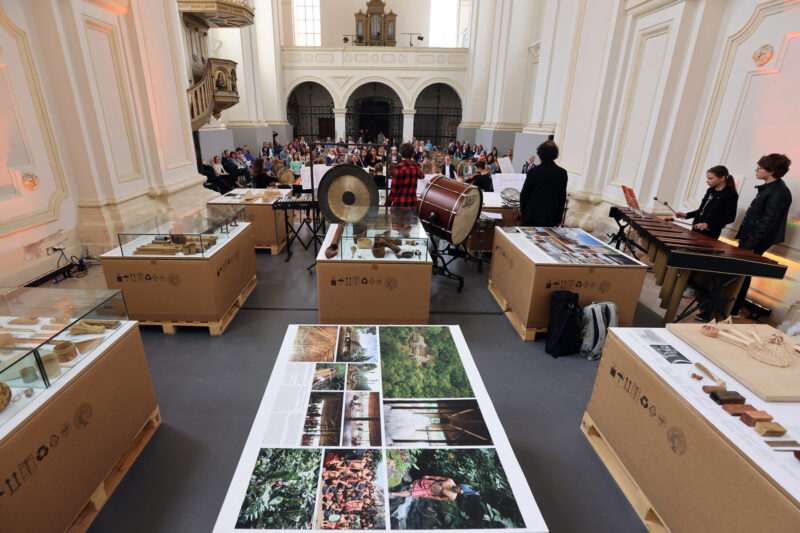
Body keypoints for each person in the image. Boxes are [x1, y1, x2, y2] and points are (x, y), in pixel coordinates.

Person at [730, 153, 792, 316]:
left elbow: (767, 222)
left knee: (743, 273)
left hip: (755, 239)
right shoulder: (770, 187)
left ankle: (733, 309)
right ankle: (731, 306)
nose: (756, 170)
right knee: (740, 272)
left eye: (760, 168)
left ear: (771, 171)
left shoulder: (779, 191)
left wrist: (750, 245)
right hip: (751, 237)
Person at [675, 165, 738, 238]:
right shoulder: (710, 190)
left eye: (711, 178)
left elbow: (730, 218)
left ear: (722, 178)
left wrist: (708, 224)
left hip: (710, 233)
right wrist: (686, 215)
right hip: (696, 228)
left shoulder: (730, 194)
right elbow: (702, 210)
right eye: (707, 178)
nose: (707, 181)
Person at [520, 141, 567, 227]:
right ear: (555, 154)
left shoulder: (533, 172)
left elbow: (524, 195)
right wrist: (558, 218)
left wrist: (524, 213)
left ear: (540, 154)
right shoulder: (562, 173)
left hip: (531, 216)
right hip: (551, 218)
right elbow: (562, 197)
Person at [387, 142, 422, 208]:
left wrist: (388, 203)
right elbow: (422, 176)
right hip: (412, 204)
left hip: (399, 204)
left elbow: (394, 189)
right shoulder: (416, 167)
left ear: (400, 154)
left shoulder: (398, 168)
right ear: (412, 154)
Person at [390, 475, 477, 501]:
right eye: (459, 489)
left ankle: (393, 494)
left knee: (411, 493)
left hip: (428, 491)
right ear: (459, 486)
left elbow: (439, 498)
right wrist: (428, 476)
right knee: (415, 482)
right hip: (430, 483)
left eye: (460, 492)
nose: (458, 491)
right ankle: (401, 484)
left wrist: (428, 496)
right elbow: (439, 478)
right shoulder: (450, 480)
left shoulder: (452, 497)